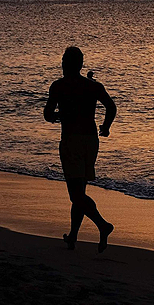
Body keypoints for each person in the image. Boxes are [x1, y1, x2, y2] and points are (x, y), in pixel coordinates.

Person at [44, 46, 117, 252]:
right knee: (80, 191)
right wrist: (106, 127)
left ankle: (103, 226)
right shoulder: (92, 86)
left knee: (76, 195)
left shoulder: (58, 86)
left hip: (71, 142)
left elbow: (48, 114)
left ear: (65, 64)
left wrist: (61, 116)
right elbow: (111, 107)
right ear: (81, 65)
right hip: (91, 141)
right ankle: (73, 236)